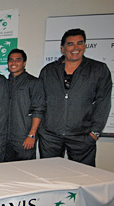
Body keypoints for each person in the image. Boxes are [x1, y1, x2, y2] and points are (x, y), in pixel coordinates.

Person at [39, 28, 112, 166]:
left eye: (80, 43)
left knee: (83, 178)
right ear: (62, 48)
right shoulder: (48, 71)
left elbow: (103, 102)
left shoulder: (98, 69)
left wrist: (95, 133)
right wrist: (41, 131)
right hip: (50, 137)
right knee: (50, 176)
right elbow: (40, 101)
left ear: (85, 46)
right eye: (70, 44)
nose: (75, 47)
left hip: (82, 136)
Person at [5, 49, 45, 161]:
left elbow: (39, 110)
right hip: (6, 137)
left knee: (25, 171)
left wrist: (31, 135)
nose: (13, 63)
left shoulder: (34, 82)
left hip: (24, 137)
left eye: (18, 60)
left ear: (24, 63)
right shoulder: (5, 83)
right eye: (11, 60)